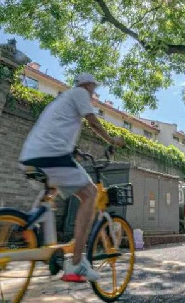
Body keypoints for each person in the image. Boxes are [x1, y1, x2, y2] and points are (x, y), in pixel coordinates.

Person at [19, 73, 125, 283]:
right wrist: (111, 139)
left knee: (51, 191)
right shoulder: (79, 93)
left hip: (32, 155)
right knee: (90, 194)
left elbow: (58, 130)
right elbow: (93, 122)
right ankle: (76, 263)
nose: (94, 93)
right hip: (51, 154)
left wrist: (74, 152)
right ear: (88, 85)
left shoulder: (63, 99)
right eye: (93, 88)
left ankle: (28, 228)